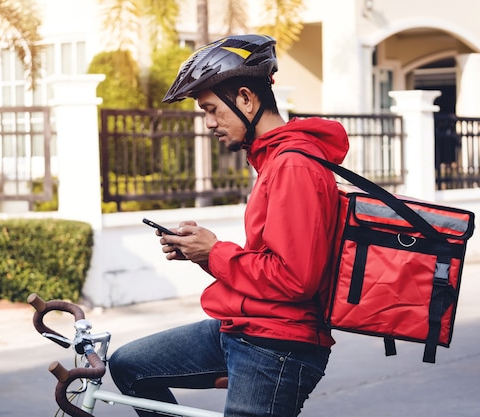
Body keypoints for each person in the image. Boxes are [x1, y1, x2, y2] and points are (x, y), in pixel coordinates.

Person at [108, 34, 349, 417]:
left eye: (211, 109)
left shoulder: (294, 166)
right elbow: (268, 261)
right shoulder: (272, 161)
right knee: (130, 366)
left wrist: (214, 250)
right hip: (245, 326)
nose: (207, 123)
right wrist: (201, 252)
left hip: (276, 345)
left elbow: (295, 278)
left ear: (246, 98)